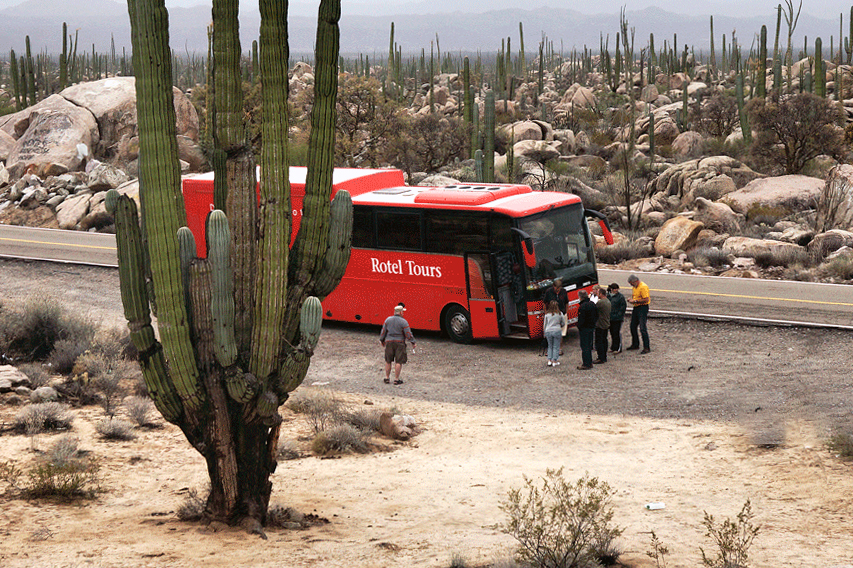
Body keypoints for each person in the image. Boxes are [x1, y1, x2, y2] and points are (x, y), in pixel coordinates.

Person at [379, 303, 416, 384]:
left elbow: (383, 332)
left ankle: (387, 378)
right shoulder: (404, 322)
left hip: (389, 342)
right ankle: (396, 379)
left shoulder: (388, 320)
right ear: (401, 312)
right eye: (403, 311)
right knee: (398, 361)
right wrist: (413, 342)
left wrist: (382, 340)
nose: (403, 313)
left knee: (388, 360)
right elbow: (408, 334)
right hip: (400, 343)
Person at [542, 278, 568, 355]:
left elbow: (566, 302)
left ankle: (559, 349)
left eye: (559, 288)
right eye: (557, 288)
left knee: (561, 332)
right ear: (553, 286)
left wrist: (566, 312)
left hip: (561, 313)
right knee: (549, 331)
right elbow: (544, 302)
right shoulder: (548, 291)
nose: (558, 290)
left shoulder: (563, 291)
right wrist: (546, 312)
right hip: (551, 314)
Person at [626, 274, 651, 354]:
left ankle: (646, 347)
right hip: (636, 308)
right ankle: (635, 344)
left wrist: (635, 301)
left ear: (635, 281)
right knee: (632, 326)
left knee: (642, 327)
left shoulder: (643, 287)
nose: (631, 285)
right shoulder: (635, 287)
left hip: (642, 308)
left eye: (631, 283)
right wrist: (632, 300)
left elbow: (646, 299)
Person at [576, 290, 597, 370]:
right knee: (589, 345)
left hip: (584, 329)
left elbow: (581, 320)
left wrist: (579, 326)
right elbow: (596, 315)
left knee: (585, 347)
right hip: (591, 327)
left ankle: (586, 363)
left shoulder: (583, 307)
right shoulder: (592, 304)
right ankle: (589, 362)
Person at [543, 300, 566, 367]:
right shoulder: (559, 313)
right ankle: (554, 360)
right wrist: (560, 325)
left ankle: (549, 360)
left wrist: (544, 332)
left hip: (548, 330)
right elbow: (563, 323)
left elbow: (545, 324)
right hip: (557, 330)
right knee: (556, 346)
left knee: (550, 346)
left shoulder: (547, 314)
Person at [607, 283, 627, 353]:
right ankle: (613, 347)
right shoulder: (608, 296)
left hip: (617, 318)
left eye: (617, 289)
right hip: (610, 318)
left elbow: (623, 308)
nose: (616, 290)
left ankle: (618, 347)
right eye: (615, 289)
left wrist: (618, 316)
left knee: (616, 333)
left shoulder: (620, 297)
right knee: (612, 333)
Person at [593, 287, 611, 364]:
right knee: (604, 340)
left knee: (599, 341)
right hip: (606, 323)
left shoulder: (601, 303)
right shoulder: (607, 301)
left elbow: (594, 308)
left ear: (601, 294)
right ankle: (604, 356)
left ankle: (601, 357)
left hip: (600, 324)